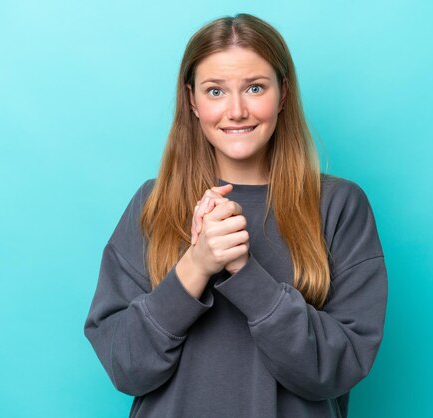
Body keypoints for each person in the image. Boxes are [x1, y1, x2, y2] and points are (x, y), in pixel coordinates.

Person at [84, 13, 387, 418]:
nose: (237, 110)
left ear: (283, 94)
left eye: (255, 87)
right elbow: (126, 367)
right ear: (192, 100)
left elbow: (336, 369)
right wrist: (196, 265)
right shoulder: (152, 203)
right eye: (215, 91)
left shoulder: (339, 205)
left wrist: (244, 272)